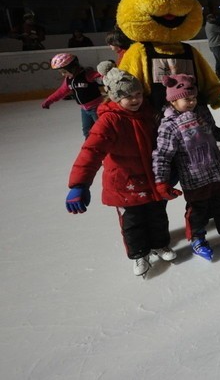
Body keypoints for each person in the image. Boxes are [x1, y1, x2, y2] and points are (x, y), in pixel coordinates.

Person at [64, 61, 177, 278]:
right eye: (128, 96)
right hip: (125, 183)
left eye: (137, 94)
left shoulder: (149, 113)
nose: (135, 100)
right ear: (115, 97)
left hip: (152, 178)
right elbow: (91, 151)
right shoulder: (109, 121)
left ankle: (160, 245)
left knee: (157, 215)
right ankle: (139, 254)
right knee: (132, 222)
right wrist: (79, 184)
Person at [152, 74, 220, 261]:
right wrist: (161, 181)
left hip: (215, 172)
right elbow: (162, 155)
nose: (191, 102)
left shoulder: (201, 114)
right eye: (186, 99)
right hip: (193, 179)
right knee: (197, 211)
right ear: (173, 101)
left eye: (193, 98)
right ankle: (197, 239)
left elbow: (213, 130)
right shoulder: (169, 126)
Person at [42, 53, 103, 138]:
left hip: (97, 108)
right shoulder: (68, 80)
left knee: (102, 130)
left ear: (73, 68)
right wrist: (49, 100)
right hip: (84, 110)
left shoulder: (87, 74)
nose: (63, 74)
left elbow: (101, 76)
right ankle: (91, 149)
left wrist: (106, 76)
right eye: (61, 72)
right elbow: (61, 92)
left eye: (64, 72)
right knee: (87, 131)